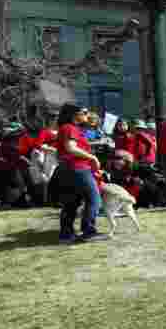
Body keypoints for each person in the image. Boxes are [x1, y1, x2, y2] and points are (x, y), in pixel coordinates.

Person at [55, 104, 107, 243]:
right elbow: (70, 148)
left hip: (70, 169)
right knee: (94, 199)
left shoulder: (68, 128)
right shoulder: (70, 128)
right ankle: (88, 231)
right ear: (74, 115)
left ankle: (66, 235)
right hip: (77, 168)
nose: (87, 114)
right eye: (84, 112)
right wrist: (92, 158)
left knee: (71, 202)